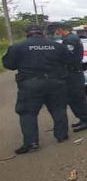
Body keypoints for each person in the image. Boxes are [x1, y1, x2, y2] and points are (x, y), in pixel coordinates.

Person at [2, 25, 73, 154]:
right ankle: (62, 136)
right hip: (56, 82)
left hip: (31, 84)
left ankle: (31, 142)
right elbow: (68, 60)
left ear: (27, 34)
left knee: (27, 113)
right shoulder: (57, 46)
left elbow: (9, 65)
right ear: (43, 33)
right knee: (58, 108)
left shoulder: (18, 47)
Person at [50, 22, 87, 132]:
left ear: (59, 29)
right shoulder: (71, 38)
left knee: (77, 98)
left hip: (73, 73)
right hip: (73, 72)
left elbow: (69, 58)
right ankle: (82, 118)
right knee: (73, 98)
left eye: (54, 32)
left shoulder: (69, 40)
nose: (54, 35)